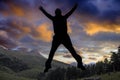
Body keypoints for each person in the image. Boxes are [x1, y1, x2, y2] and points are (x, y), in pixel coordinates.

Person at [39, 4, 86, 73]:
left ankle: (47, 66)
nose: (57, 13)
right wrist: (74, 7)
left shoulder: (55, 18)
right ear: (60, 13)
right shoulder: (62, 17)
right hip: (63, 37)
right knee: (71, 51)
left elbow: (47, 14)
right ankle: (80, 64)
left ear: (56, 13)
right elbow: (70, 12)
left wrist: (42, 10)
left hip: (60, 37)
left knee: (52, 53)